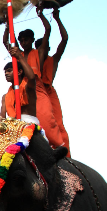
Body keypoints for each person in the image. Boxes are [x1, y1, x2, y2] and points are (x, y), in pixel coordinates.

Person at [0, 47, 64, 149]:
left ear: (19, 72)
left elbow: (32, 77)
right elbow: (2, 116)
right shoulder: (5, 96)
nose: (6, 73)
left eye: (9, 71)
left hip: (31, 127)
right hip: (13, 130)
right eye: (5, 72)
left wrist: (19, 56)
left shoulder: (28, 87)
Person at [35, 7, 70, 155]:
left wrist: (57, 18)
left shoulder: (53, 59)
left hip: (50, 92)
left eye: (45, 48)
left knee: (58, 123)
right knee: (44, 122)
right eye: (39, 49)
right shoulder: (33, 59)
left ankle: (65, 154)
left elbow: (64, 39)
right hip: (37, 90)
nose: (43, 51)